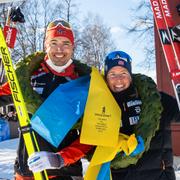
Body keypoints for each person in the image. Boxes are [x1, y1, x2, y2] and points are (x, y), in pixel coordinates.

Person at [0, 19, 92, 179]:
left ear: (73, 47)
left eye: (66, 43)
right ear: (45, 45)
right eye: (54, 42)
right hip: (27, 171)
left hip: (65, 172)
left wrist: (60, 159)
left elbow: (91, 135)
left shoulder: (84, 83)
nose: (59, 49)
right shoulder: (29, 77)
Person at [103, 50, 180, 180]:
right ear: (106, 77)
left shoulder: (155, 99)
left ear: (130, 75)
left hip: (159, 176)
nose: (119, 79)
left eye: (123, 73)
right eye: (112, 74)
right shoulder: (99, 108)